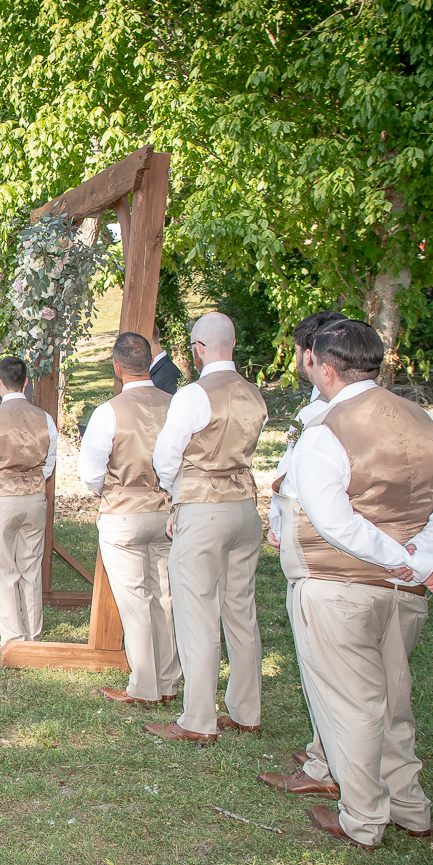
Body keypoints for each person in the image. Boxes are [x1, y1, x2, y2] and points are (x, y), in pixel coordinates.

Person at [285, 318, 433, 849]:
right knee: (394, 697)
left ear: (325, 367)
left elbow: (336, 522)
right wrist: (424, 550)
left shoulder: (327, 431)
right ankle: (410, 804)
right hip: (402, 592)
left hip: (337, 585)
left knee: (354, 704)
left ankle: (364, 816)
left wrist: (410, 560)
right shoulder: (428, 422)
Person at [145, 312, 267, 744]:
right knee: (241, 610)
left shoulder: (193, 395)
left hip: (203, 508)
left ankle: (198, 719)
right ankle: (246, 710)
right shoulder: (255, 395)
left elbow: (166, 456)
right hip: (245, 509)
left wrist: (175, 492)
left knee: (197, 614)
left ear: (198, 348)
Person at [260, 310, 347, 797]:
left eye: (296, 351)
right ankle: (325, 749)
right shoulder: (318, 405)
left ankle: (326, 767)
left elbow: (297, 478)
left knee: (323, 663)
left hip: (321, 554)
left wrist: (281, 517)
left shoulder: (324, 414)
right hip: (310, 546)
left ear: (312, 355)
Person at [77, 333, 182, 707]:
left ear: (117, 368)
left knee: (136, 601)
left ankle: (144, 686)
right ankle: (169, 680)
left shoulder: (109, 411)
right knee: (167, 597)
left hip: (124, 513)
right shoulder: (177, 404)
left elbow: (90, 474)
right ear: (152, 361)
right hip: (169, 512)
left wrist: (110, 486)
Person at [0, 355, 57, 646]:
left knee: (3, 569)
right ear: (27, 382)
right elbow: (49, 464)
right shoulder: (45, 418)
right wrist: (31, 483)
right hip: (34, 498)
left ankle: (13, 638)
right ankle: (34, 634)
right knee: (31, 568)